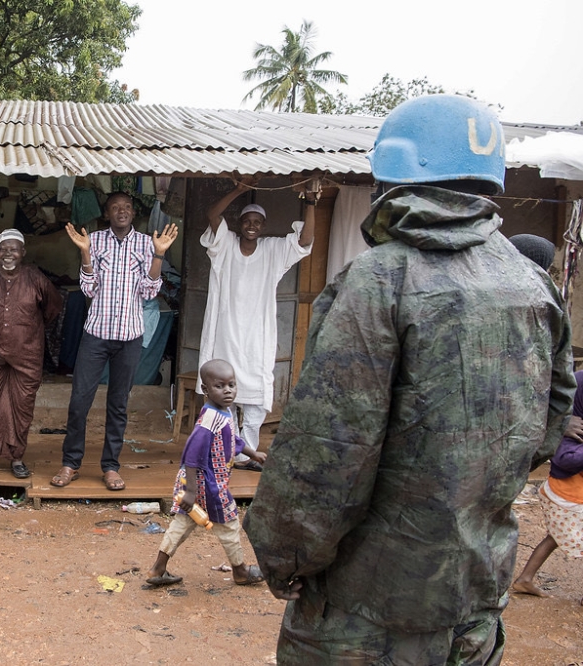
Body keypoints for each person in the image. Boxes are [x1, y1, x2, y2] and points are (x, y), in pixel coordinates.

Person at [246, 95, 576, 664]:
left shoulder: (379, 279)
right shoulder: (534, 285)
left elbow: (326, 454)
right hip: (474, 601)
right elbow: (547, 428)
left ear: (391, 178)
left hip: (367, 612)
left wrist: (285, 555)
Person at [51, 192, 178, 491]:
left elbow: (149, 292)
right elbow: (89, 289)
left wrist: (159, 255)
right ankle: (71, 463)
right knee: (79, 402)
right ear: (107, 213)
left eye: (127, 207)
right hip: (96, 334)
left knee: (118, 405)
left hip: (130, 336)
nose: (121, 212)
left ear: (133, 213)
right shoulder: (93, 240)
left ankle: (110, 466)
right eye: (115, 208)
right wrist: (84, 253)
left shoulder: (148, 244)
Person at [198, 175, 315, 471]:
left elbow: (305, 241)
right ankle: (226, 451)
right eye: (246, 221)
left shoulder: (273, 251)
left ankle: (245, 455)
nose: (251, 226)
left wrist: (312, 203)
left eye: (257, 222)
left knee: (255, 394)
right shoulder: (225, 244)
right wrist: (238, 190)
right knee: (225, 394)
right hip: (224, 331)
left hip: (257, 335)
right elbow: (212, 215)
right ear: (239, 223)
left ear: (263, 227)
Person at [146, 359, 267, 588]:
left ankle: (158, 568)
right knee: (229, 524)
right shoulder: (209, 420)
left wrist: (252, 453)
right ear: (206, 389)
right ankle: (240, 571)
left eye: (231, 384)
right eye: (220, 386)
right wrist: (191, 491)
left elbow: (231, 440)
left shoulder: (222, 412)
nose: (228, 390)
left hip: (203, 483)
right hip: (207, 484)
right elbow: (191, 455)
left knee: (183, 523)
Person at [0, 229, 63, 479]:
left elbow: (53, 306)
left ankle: (17, 458)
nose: (8, 253)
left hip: (27, 356)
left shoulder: (35, 277)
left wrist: (31, 331)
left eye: (14, 249)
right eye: (4, 249)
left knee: (22, 407)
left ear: (23, 252)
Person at [512, 369, 583, 602]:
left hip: (570, 495)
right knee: (556, 536)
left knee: (554, 537)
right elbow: (564, 459)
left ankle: (525, 579)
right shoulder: (573, 426)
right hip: (569, 496)